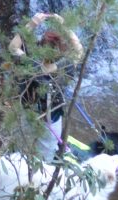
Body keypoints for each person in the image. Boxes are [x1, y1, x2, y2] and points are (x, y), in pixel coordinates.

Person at [8, 14, 86, 157]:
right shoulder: (65, 67)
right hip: (51, 121)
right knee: (45, 158)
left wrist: (32, 23)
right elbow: (79, 51)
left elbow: (13, 47)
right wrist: (65, 27)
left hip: (26, 113)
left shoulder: (30, 62)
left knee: (17, 150)